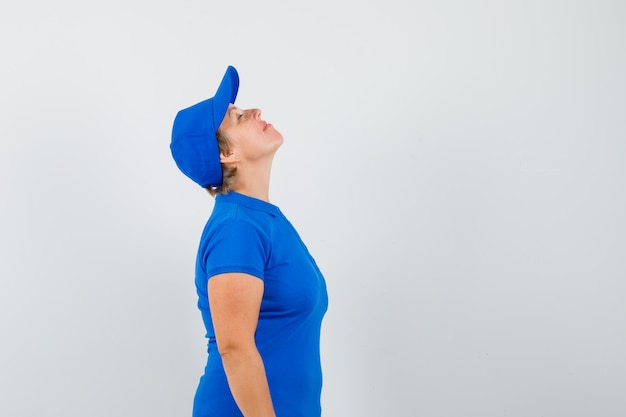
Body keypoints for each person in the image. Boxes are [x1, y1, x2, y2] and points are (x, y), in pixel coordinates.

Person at [170, 66, 328, 417]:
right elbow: (235, 348)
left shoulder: (263, 219)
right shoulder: (237, 229)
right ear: (226, 154)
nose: (255, 110)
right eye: (239, 118)